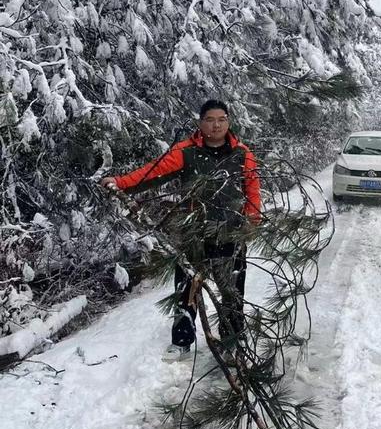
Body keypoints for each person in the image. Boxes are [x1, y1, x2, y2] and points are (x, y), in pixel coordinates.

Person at [101, 100, 261, 357]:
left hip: (230, 231)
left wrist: (252, 220)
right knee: (186, 289)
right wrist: (121, 182)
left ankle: (232, 342)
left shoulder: (241, 153)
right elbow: (151, 173)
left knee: (232, 292)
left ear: (229, 122)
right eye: (210, 119)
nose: (216, 124)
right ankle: (182, 341)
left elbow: (252, 188)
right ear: (200, 123)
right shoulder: (186, 151)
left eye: (222, 119)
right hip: (192, 234)